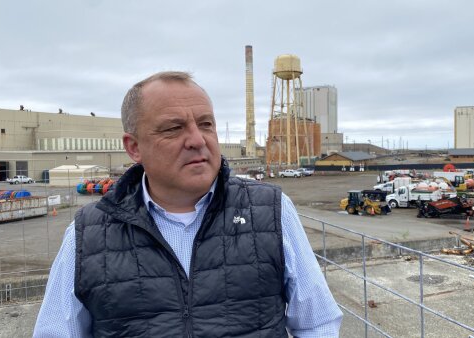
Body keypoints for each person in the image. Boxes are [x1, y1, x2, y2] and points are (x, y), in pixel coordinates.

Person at [34, 71, 342, 337]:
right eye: (173, 128)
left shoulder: (271, 210)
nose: (197, 139)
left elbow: (319, 323)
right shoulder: (87, 235)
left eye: (206, 124)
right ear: (134, 147)